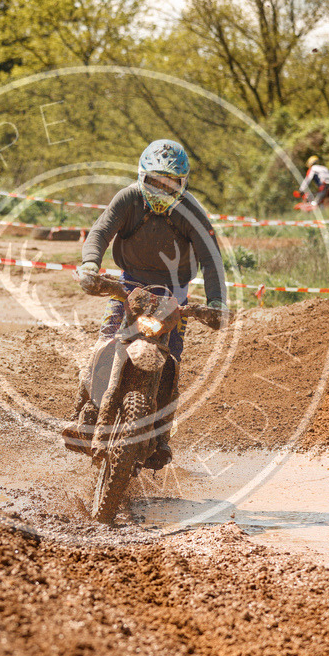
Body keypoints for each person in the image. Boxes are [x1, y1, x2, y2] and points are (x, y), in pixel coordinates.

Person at [70, 139, 227, 470]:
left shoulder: (191, 211)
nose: (162, 187)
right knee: (107, 339)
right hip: (129, 285)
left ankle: (161, 435)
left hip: (174, 292)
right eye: (155, 180)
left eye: (171, 182)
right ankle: (81, 409)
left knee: (172, 358)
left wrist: (215, 302)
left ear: (183, 183)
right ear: (142, 177)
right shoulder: (128, 199)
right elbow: (100, 232)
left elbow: (212, 260)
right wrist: (89, 265)